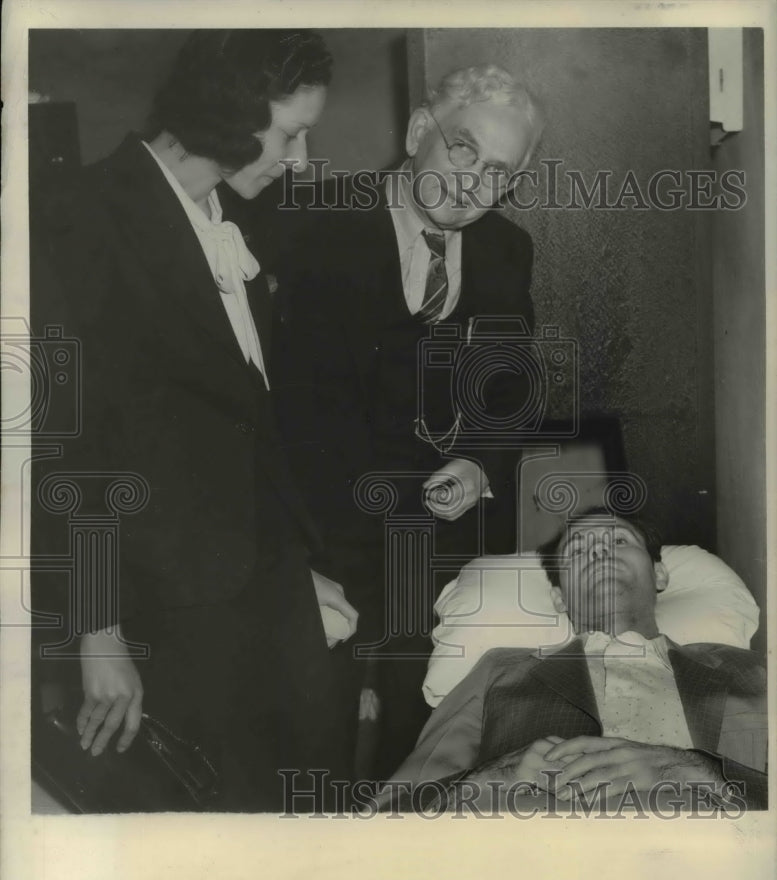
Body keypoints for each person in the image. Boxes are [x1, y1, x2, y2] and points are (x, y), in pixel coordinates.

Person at [30, 29, 360, 811]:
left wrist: (291, 557)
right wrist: (100, 629)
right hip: (161, 602)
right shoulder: (82, 215)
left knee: (303, 807)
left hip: (259, 585)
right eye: (289, 133)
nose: (300, 159)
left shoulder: (223, 218)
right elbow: (69, 443)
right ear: (228, 113)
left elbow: (244, 417)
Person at [270, 65, 544, 777]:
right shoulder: (303, 221)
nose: (473, 183)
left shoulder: (506, 250)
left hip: (443, 549)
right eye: (461, 149)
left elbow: (509, 387)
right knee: (310, 744)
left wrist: (477, 463)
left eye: (497, 172)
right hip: (316, 540)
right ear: (419, 131)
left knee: (428, 747)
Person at [376, 507, 767, 812]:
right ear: (560, 598)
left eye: (618, 542)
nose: (598, 551)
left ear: (661, 575)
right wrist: (493, 777)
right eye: (578, 550)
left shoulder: (750, 671)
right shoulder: (498, 669)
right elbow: (397, 804)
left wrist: (698, 770)